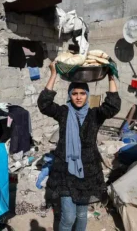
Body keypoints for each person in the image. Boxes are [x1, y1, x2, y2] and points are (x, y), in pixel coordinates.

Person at [37, 61, 121, 231]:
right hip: (65, 172)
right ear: (70, 95)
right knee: (68, 217)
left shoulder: (95, 115)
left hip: (87, 173)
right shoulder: (63, 113)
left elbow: (112, 106)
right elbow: (44, 105)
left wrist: (111, 76)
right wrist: (53, 74)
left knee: (82, 216)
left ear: (87, 95)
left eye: (82, 93)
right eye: (74, 93)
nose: (78, 97)